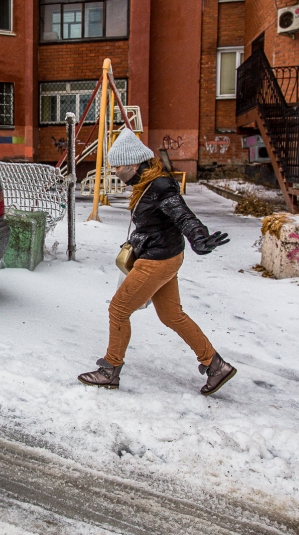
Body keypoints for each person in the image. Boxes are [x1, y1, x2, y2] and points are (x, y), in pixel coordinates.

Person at [78, 128, 235, 396]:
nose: (115, 171)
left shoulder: (160, 186)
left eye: (118, 166)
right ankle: (215, 365)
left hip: (157, 261)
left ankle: (110, 370)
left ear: (133, 163)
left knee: (118, 309)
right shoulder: (146, 184)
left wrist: (199, 238)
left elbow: (183, 216)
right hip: (166, 256)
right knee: (172, 315)